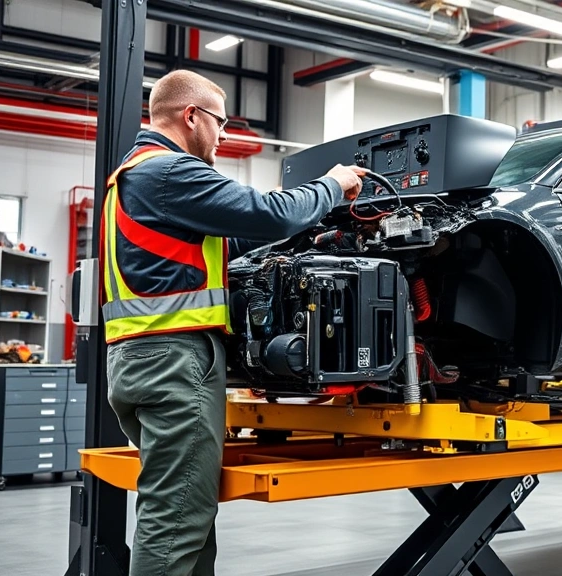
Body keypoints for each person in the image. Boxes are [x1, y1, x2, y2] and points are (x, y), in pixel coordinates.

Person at [100, 69, 364, 576]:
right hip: (175, 365)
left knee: (189, 514)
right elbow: (268, 214)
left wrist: (308, 232)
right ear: (191, 116)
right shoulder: (169, 171)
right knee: (174, 521)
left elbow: (234, 240)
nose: (224, 136)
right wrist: (331, 186)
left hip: (140, 362)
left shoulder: (133, 177)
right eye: (220, 123)